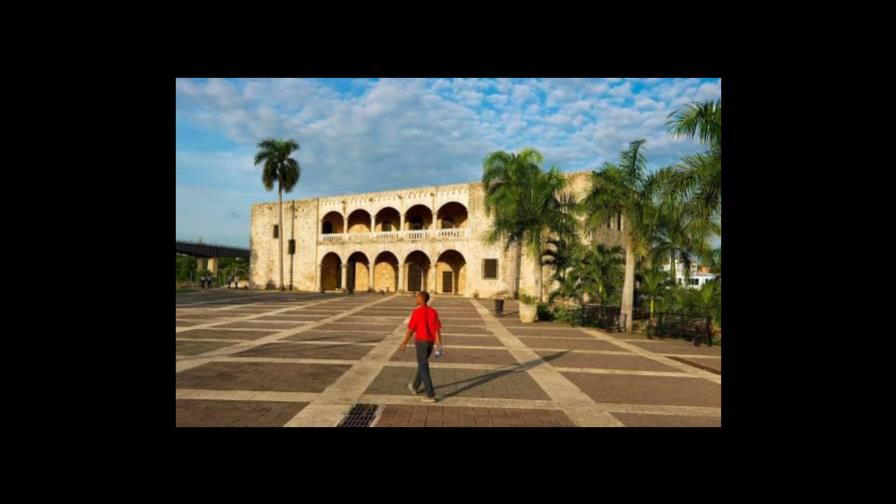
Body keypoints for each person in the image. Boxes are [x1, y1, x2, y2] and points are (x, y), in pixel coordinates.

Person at [398, 291, 443, 402]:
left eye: (417, 297)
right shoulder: (433, 312)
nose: (416, 298)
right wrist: (438, 346)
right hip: (430, 343)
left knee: (423, 367)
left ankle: (430, 394)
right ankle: (415, 387)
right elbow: (436, 330)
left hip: (421, 343)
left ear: (422, 299)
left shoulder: (417, 312)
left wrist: (404, 342)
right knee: (422, 364)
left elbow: (411, 330)